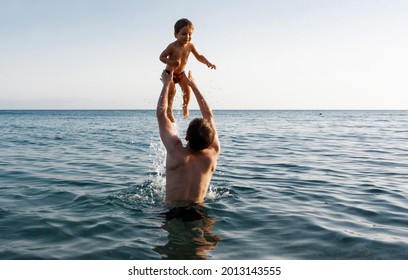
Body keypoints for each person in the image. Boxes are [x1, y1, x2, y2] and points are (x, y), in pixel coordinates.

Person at [157, 70, 220, 207]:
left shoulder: (176, 152)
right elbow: (209, 115)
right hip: (198, 212)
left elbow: (162, 115)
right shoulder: (213, 153)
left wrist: (166, 84)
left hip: (172, 213)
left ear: (186, 136)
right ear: (210, 141)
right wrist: (192, 85)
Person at [159, 18, 216, 122]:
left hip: (181, 74)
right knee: (172, 91)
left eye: (190, 34)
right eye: (184, 34)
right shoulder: (172, 46)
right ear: (175, 34)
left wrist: (208, 62)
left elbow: (199, 56)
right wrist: (172, 63)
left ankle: (185, 107)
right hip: (170, 73)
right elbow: (161, 57)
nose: (187, 37)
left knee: (187, 89)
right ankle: (169, 111)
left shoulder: (190, 46)